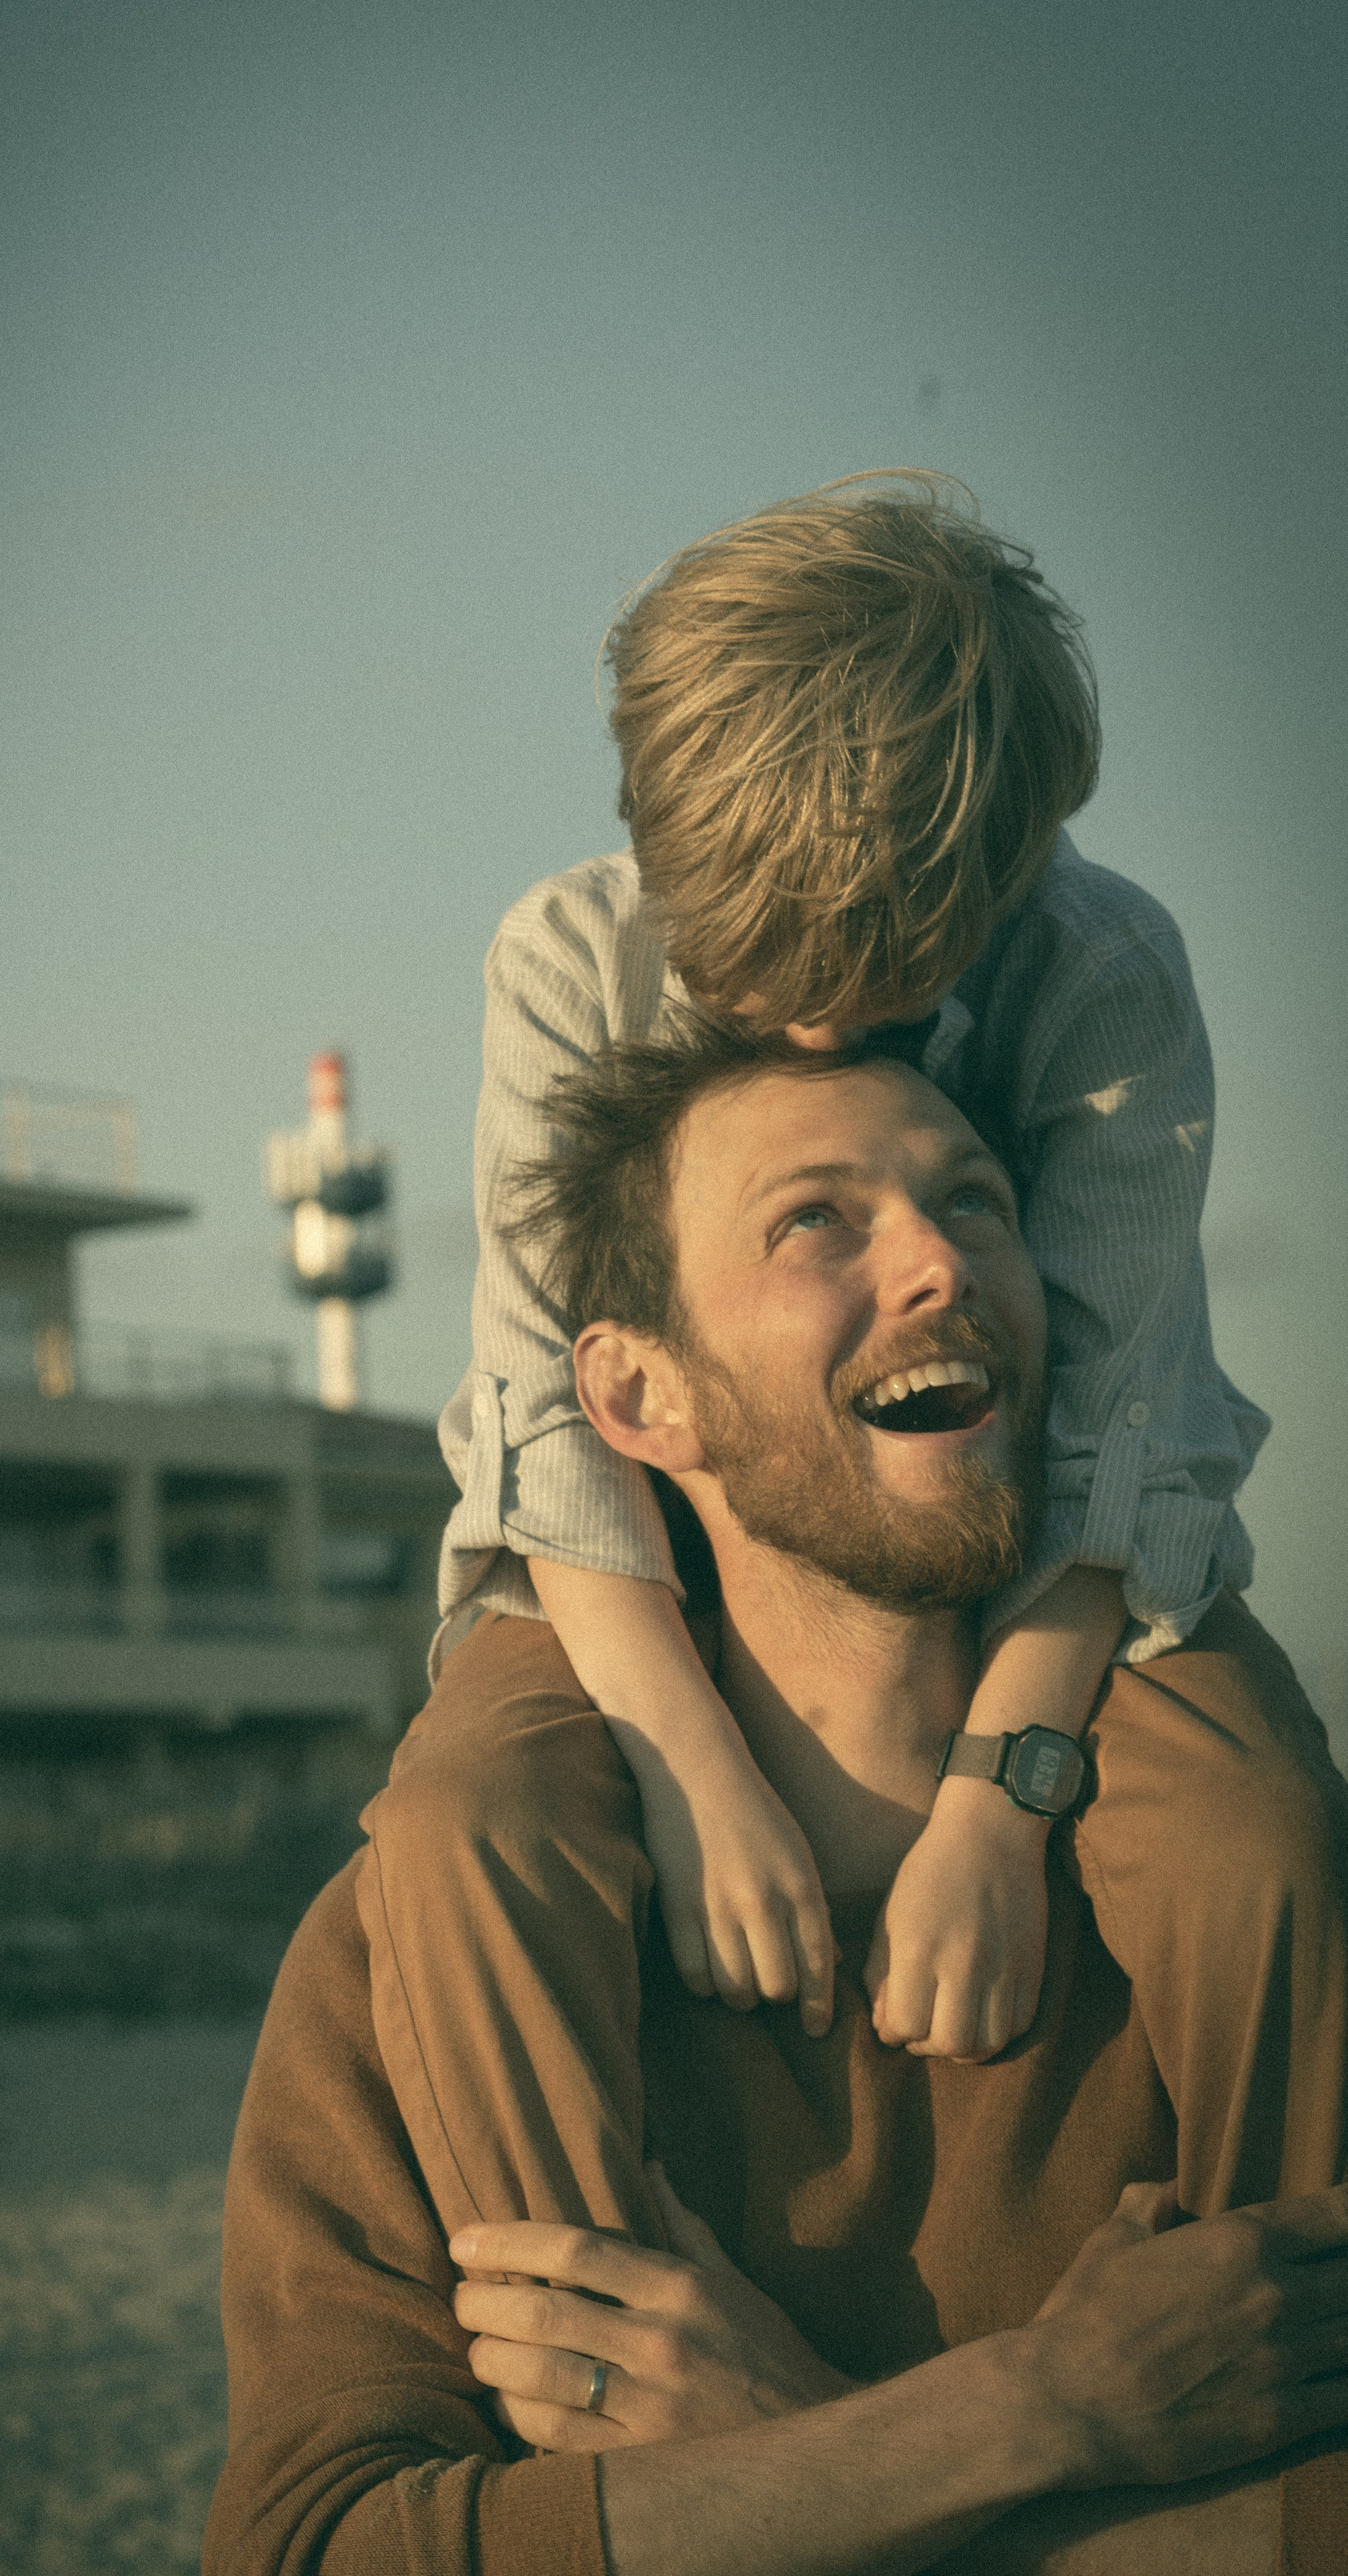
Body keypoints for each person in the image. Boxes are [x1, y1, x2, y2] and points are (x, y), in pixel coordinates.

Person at [203, 1040, 1348, 2573]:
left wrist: (806, 2445)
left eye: (975, 1203)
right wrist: (1045, 2414)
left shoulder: (1237, 1880)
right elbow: (310, 2549)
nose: (939, 1260)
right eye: (818, 1220)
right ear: (633, 1391)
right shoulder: (448, 1919)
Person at [434, 475, 1269, 2067]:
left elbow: (1117, 1447)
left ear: (1001, 874)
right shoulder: (566, 960)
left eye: (876, 979)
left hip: (1037, 1568)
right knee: (460, 1821)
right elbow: (543, 1416)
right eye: (742, 963)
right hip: (647, 1558)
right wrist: (687, 1774)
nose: (806, 1028)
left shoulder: (1100, 974)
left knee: (1258, 1836)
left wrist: (995, 1813)